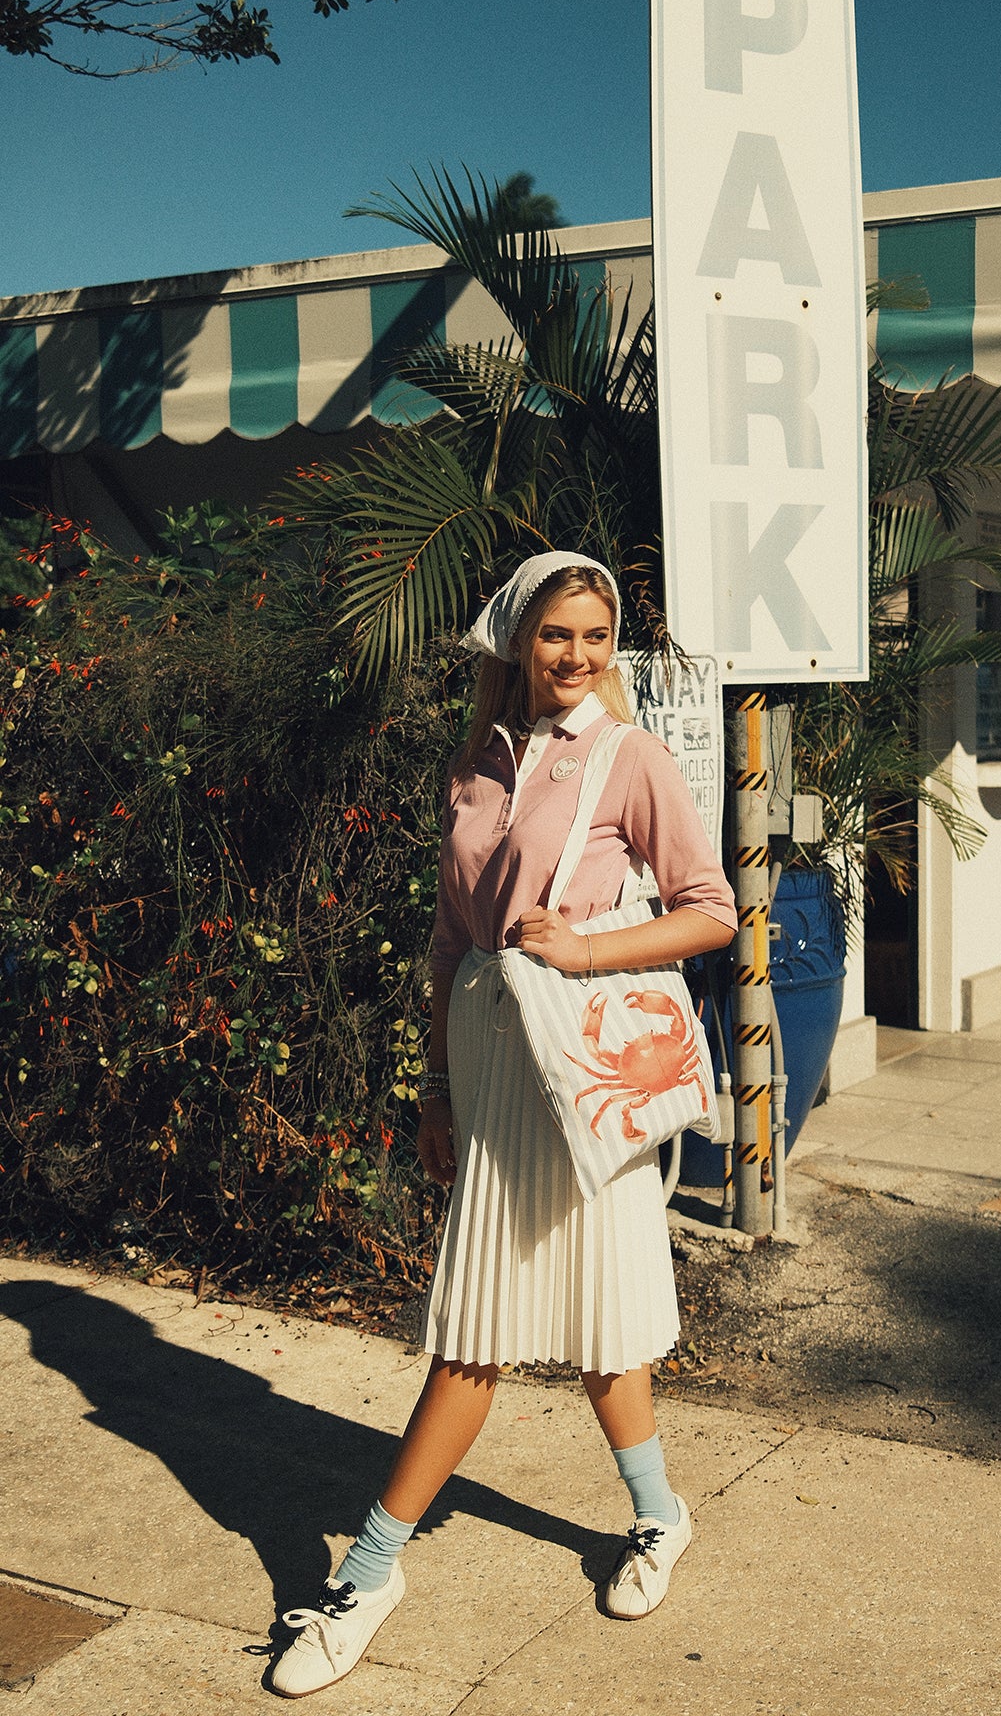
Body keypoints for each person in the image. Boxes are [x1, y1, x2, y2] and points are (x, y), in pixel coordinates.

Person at [271, 552, 737, 1698]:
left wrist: (587, 943)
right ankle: (661, 1512)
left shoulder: (629, 757)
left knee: (546, 1326)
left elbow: (711, 911)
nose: (576, 653)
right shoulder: (476, 762)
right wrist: (434, 1085)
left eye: (595, 634)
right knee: (532, 1322)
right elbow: (449, 941)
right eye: (555, 632)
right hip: (490, 1059)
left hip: (580, 1058)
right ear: (519, 638)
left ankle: (369, 1572)